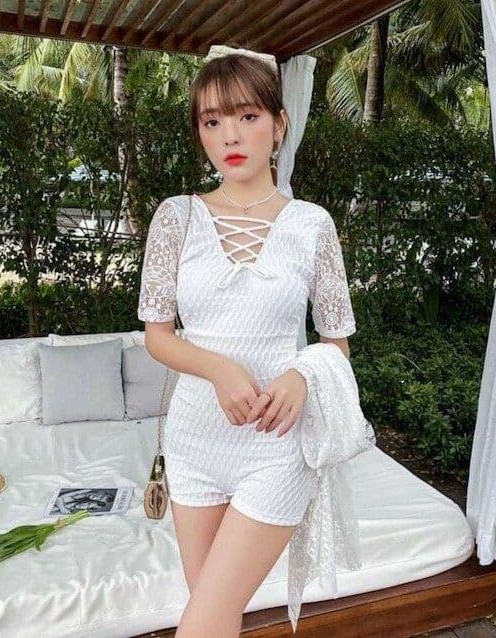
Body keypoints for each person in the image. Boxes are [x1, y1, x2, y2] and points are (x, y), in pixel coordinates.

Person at [137, 45, 357, 638]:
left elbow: (336, 344)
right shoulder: (175, 217)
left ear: (279, 125)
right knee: (215, 614)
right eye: (212, 121)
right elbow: (157, 336)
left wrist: (301, 375)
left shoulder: (312, 224)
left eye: (247, 116)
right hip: (193, 442)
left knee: (203, 620)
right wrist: (218, 369)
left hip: (276, 445)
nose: (229, 135)